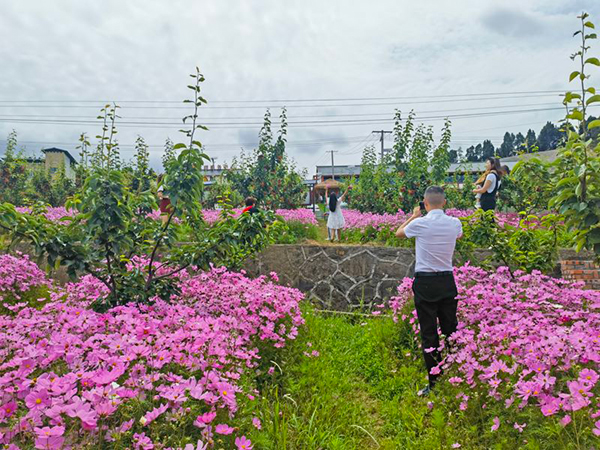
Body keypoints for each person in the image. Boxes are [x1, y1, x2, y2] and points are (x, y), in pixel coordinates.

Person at [395, 186, 463, 396]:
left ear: (425, 204)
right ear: (444, 202)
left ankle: (434, 383)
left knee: (429, 333)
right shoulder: (455, 223)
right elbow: (458, 236)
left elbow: (398, 233)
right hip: (447, 280)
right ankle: (457, 376)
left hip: (425, 282)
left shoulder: (420, 223)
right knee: (451, 330)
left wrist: (413, 216)